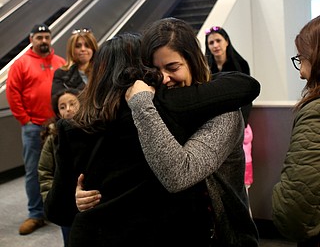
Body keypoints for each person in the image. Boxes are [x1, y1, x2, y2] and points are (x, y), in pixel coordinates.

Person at [45, 30, 259, 246]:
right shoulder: (169, 108)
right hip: (162, 233)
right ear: (144, 69)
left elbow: (57, 211)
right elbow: (245, 85)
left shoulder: (71, 127)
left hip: (93, 236)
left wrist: (74, 198)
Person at [6, 23, 65, 235]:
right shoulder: (21, 64)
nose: (43, 41)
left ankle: (57, 209)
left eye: (46, 37)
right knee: (33, 171)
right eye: (39, 37)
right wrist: (26, 120)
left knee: (59, 169)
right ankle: (36, 214)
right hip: (33, 127)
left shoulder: (60, 62)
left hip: (57, 127)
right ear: (31, 40)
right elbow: (13, 93)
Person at [272, 15, 320, 247]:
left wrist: (278, 197)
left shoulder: (316, 112)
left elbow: (293, 210)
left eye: (302, 58)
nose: (301, 72)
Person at [205, 26, 254, 204]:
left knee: (240, 172)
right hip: (213, 126)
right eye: (211, 42)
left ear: (226, 41)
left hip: (239, 123)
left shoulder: (240, 64)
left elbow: (248, 97)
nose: (215, 45)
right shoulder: (205, 68)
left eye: (218, 40)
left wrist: (243, 122)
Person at [38, 88, 80, 247]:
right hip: (65, 202)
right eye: (62, 107)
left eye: (72, 104)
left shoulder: (93, 130)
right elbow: (45, 172)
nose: (68, 109)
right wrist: (51, 198)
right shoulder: (53, 137)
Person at [51, 28, 98, 97]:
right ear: (71, 49)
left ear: (93, 49)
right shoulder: (61, 74)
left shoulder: (102, 71)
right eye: (78, 46)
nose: (83, 49)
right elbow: (56, 101)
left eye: (87, 46)